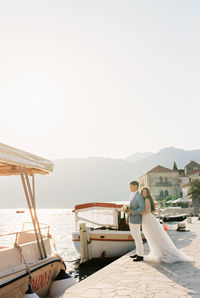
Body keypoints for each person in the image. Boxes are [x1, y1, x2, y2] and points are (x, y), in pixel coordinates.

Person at [140, 187, 193, 263]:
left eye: (145, 192)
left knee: (153, 236)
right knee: (152, 237)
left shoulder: (147, 200)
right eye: (143, 192)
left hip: (147, 219)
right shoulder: (146, 200)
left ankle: (159, 253)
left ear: (148, 193)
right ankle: (158, 252)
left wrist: (135, 212)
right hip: (148, 219)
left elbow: (145, 211)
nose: (144, 193)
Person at [128, 181, 145, 262]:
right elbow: (130, 208)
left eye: (131, 186)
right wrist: (128, 217)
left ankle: (141, 255)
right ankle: (137, 252)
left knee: (137, 237)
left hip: (136, 219)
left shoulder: (139, 196)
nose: (130, 188)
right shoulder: (131, 195)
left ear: (135, 186)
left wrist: (133, 212)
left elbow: (142, 208)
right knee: (134, 236)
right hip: (131, 219)